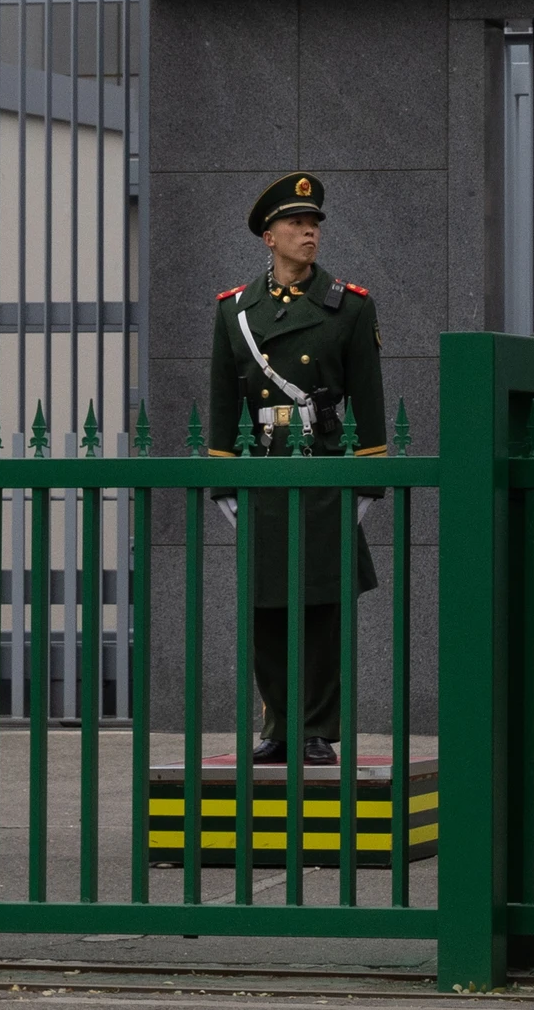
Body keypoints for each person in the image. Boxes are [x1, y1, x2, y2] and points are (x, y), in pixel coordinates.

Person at [207, 172, 388, 767]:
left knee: (321, 606)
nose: (309, 233)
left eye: (313, 224)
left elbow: (369, 398)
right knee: (267, 606)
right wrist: (223, 480)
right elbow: (222, 400)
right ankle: (279, 726)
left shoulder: (349, 307)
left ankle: (316, 728)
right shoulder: (235, 310)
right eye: (295, 224)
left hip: (323, 468)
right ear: (269, 237)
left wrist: (366, 483)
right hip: (264, 468)